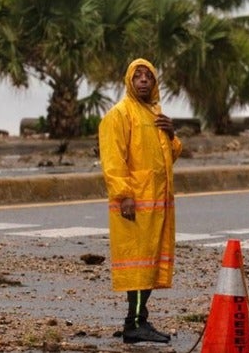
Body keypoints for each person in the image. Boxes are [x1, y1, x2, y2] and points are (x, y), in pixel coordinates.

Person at [98, 58, 182, 344]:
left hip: (158, 205)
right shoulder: (120, 115)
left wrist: (171, 134)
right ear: (129, 82)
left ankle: (139, 320)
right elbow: (112, 160)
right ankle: (133, 324)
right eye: (138, 76)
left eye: (148, 76)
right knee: (137, 266)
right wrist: (124, 197)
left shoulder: (155, 114)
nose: (144, 81)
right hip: (136, 205)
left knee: (149, 264)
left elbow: (168, 157)